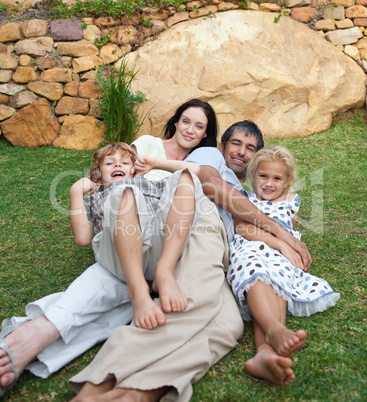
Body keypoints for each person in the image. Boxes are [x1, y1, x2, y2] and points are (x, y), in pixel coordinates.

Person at [69, 121, 313, 401]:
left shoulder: (250, 192)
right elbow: (206, 182)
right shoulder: (210, 157)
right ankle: (97, 386)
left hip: (223, 254)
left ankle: (136, 393)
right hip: (200, 228)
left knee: (228, 327)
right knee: (192, 303)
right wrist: (283, 236)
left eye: (251, 148)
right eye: (236, 143)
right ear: (220, 147)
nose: (242, 152)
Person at [0, 99, 218, 396]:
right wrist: (79, 190)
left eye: (199, 126)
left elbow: (194, 176)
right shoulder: (127, 166)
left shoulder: (161, 177)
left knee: (183, 179)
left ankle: (158, 276)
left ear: (205, 133)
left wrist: (155, 170)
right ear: (176, 121)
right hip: (116, 244)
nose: (190, 129)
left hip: (155, 244)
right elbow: (87, 227)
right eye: (185, 121)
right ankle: (138, 292)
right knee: (122, 195)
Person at [228, 146, 340, 385]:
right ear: (252, 175)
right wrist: (281, 245)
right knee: (256, 272)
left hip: (281, 258)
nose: (269, 183)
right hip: (250, 247)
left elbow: (292, 230)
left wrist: (290, 249)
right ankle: (275, 330)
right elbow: (242, 228)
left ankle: (264, 354)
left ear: (288, 181)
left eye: (277, 178)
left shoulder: (291, 202)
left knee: (277, 281)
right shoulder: (245, 199)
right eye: (263, 176)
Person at [72, 142, 204, 330]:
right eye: (110, 163)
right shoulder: (95, 196)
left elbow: (196, 170)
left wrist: (155, 163)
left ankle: (164, 271)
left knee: (187, 177)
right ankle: (138, 291)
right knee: (124, 193)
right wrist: (75, 191)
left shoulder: (149, 184)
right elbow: (83, 238)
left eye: (125, 163)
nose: (117, 165)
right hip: (119, 256)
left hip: (157, 248)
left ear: (134, 171)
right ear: (98, 177)